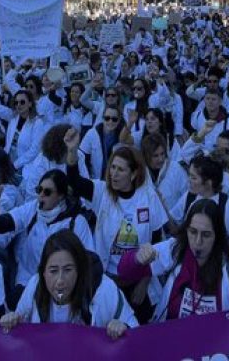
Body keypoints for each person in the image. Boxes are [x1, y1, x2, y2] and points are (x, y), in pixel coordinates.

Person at [63, 127, 167, 322]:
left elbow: (156, 243)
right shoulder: (102, 192)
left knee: (141, 329)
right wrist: (71, 151)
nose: (114, 174)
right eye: (112, 168)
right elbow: (75, 181)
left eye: (120, 169)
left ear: (134, 173)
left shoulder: (148, 197)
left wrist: (144, 282)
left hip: (138, 279)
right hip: (109, 279)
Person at [118, 199, 229, 320]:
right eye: (193, 232)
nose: (198, 241)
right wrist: (136, 259)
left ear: (217, 236)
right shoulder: (175, 250)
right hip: (170, 339)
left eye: (206, 235)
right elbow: (123, 272)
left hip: (215, 344)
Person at [0, 170, 95, 302]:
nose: (41, 195)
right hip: (27, 281)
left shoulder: (76, 222)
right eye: (39, 190)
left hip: (60, 285)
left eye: (47, 192)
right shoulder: (32, 209)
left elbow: (89, 259)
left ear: (60, 196)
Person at [0, 229, 136, 338]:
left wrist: (122, 327)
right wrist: (12, 321)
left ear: (79, 270)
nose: (60, 280)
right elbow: (19, 331)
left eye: (68, 270)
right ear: (43, 272)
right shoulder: (35, 286)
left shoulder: (104, 290)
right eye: (53, 271)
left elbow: (135, 331)